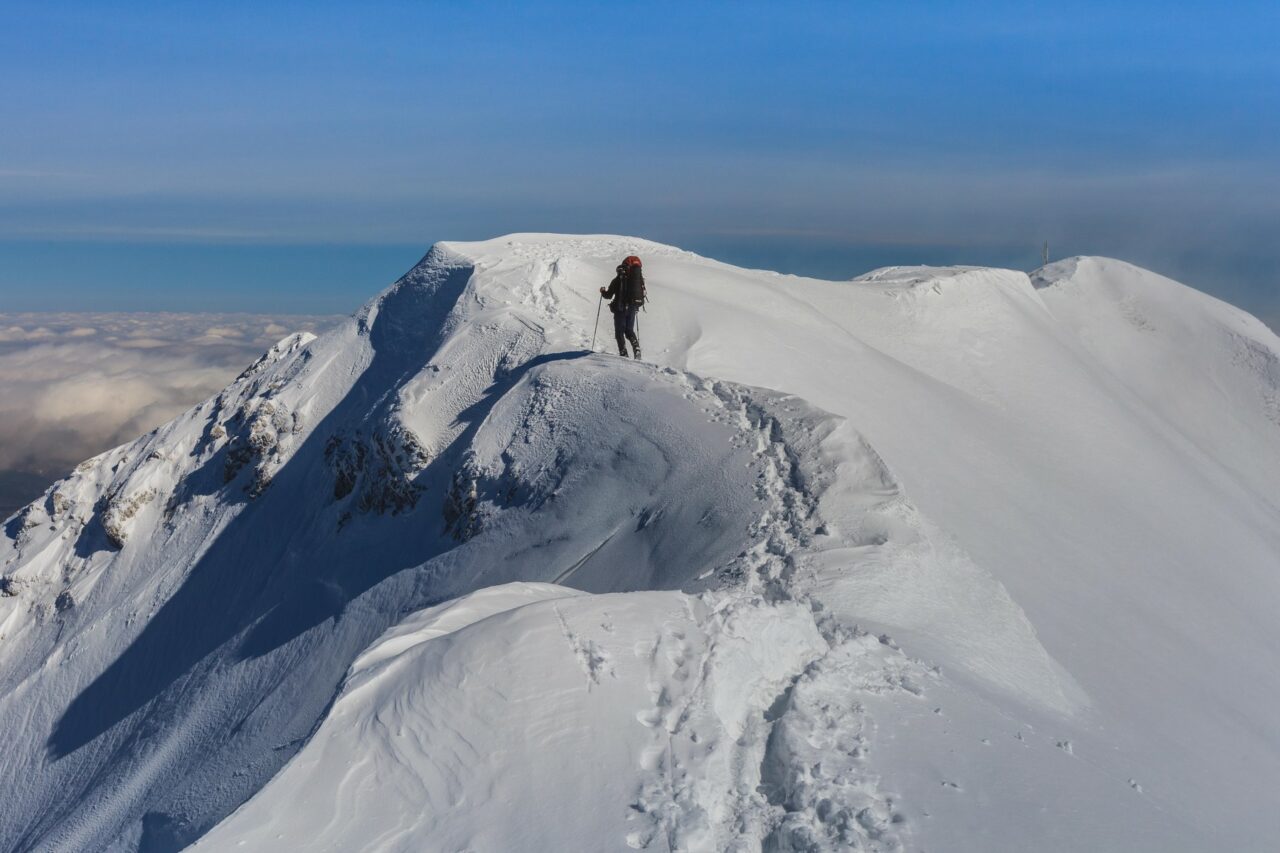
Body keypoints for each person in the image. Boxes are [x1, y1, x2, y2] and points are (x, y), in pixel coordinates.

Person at [600, 255, 646, 359]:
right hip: (633, 308)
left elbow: (609, 295)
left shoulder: (617, 279)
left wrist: (602, 291)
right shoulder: (637, 280)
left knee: (619, 332)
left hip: (620, 309)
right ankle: (637, 349)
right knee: (629, 331)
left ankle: (623, 353)